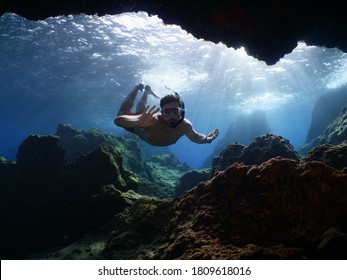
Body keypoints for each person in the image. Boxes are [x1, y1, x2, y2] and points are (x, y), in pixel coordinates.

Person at [114, 84, 219, 146]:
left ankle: (146, 92)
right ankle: (137, 88)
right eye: (167, 112)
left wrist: (206, 139)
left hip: (142, 120)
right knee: (123, 111)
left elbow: (196, 137)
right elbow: (118, 120)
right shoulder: (153, 120)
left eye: (175, 111)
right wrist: (137, 122)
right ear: (162, 112)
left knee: (141, 109)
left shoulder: (185, 125)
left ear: (182, 112)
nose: (171, 116)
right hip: (137, 124)